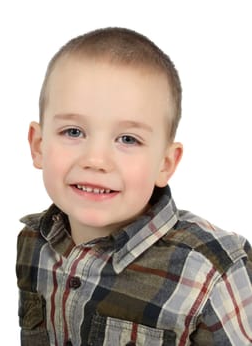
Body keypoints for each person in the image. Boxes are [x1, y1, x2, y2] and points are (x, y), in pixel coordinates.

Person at [16, 27, 252, 345]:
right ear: (38, 146)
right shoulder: (33, 242)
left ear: (165, 164)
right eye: (73, 132)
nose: (96, 160)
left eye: (128, 139)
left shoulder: (211, 269)